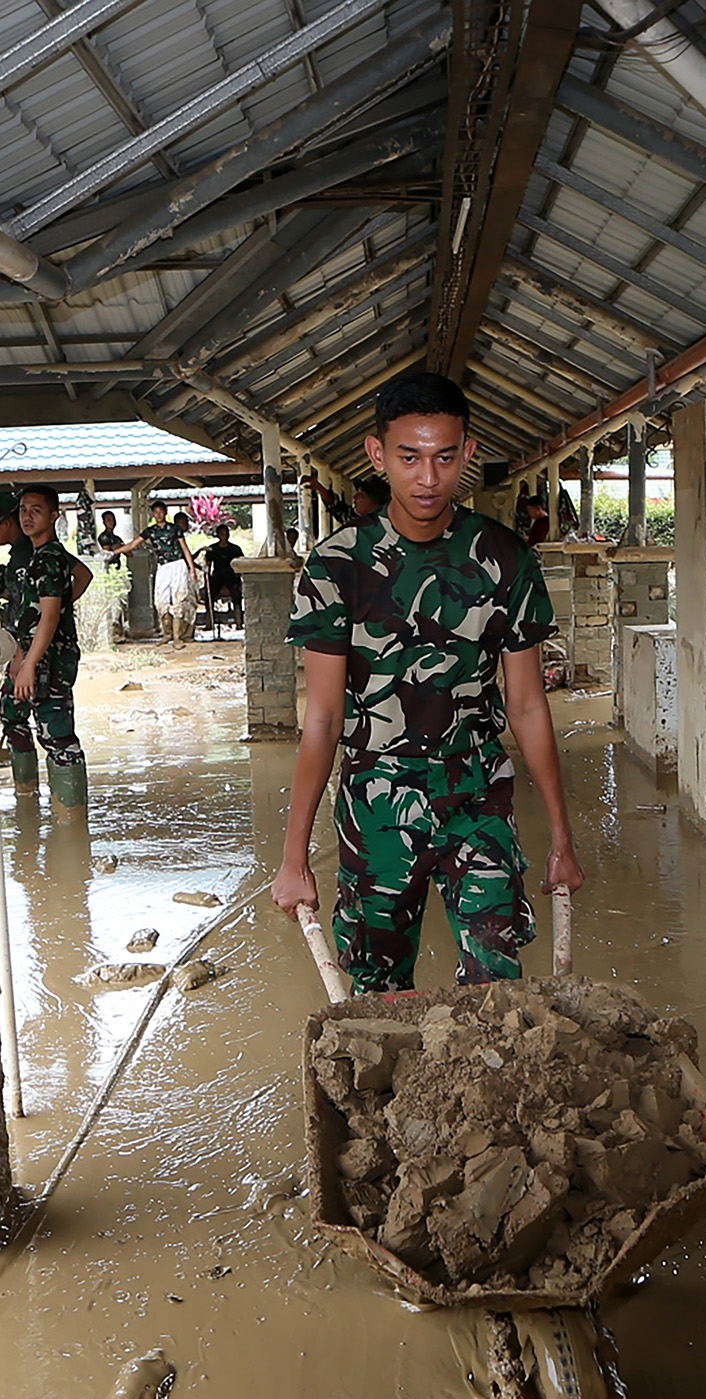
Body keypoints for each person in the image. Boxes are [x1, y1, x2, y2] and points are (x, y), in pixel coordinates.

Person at [273, 371, 585, 992]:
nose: (427, 478)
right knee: (378, 991)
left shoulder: (505, 557)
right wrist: (293, 856)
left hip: (478, 791)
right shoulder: (336, 566)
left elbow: (526, 705)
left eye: (444, 457)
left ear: (468, 453)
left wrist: (562, 837)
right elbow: (324, 718)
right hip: (376, 797)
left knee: (498, 988)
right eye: (409, 457)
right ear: (377, 454)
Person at [0, 486, 88, 806]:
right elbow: (34, 614)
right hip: (33, 649)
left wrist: (30, 663)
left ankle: (70, 822)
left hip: (50, 656)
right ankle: (28, 801)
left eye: (36, 510)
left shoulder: (48, 558)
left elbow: (48, 616)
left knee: (57, 736)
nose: (27, 517)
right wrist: (22, 654)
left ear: (54, 516)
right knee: (16, 715)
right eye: (23, 510)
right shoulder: (39, 556)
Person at [147, 505, 197, 643]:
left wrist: (192, 569)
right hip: (165, 568)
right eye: (181, 522)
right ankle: (168, 634)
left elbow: (185, 550)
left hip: (180, 569)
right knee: (162, 602)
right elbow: (134, 543)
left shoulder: (175, 531)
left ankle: (179, 636)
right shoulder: (152, 532)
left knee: (181, 602)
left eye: (185, 522)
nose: (184, 525)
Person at [201, 522, 244, 635]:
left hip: (231, 575)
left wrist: (240, 580)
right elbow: (208, 566)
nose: (224, 535)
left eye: (226, 533)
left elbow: (241, 565)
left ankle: (239, 622)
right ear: (218, 535)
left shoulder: (235, 549)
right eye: (221, 533)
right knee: (209, 595)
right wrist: (206, 578)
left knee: (236, 594)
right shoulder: (212, 549)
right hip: (217, 575)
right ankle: (209, 622)